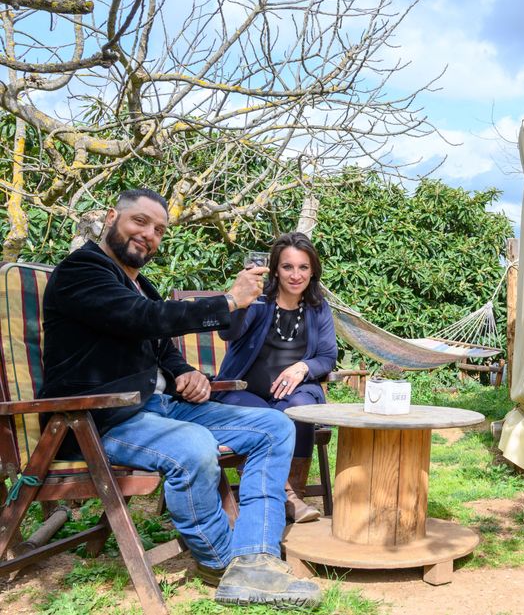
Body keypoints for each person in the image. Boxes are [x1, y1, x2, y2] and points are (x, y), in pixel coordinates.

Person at [40, 188, 321, 608]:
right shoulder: (82, 271)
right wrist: (229, 301)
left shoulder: (140, 284)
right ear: (111, 217)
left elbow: (159, 342)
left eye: (158, 230)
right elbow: (142, 319)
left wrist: (183, 371)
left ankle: (257, 556)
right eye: (140, 222)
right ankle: (223, 563)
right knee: (194, 446)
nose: (149, 235)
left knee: (274, 426)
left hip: (158, 408)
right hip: (98, 419)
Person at [215, 232, 338, 523]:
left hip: (294, 393)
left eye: (303, 267)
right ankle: (288, 498)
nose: (296, 275)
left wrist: (303, 368)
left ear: (313, 271)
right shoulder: (258, 302)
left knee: (299, 411)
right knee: (266, 420)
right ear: (275, 269)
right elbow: (227, 333)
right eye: (287, 267)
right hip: (243, 390)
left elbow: (327, 357)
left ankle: (290, 493)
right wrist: (239, 300)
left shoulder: (318, 308)